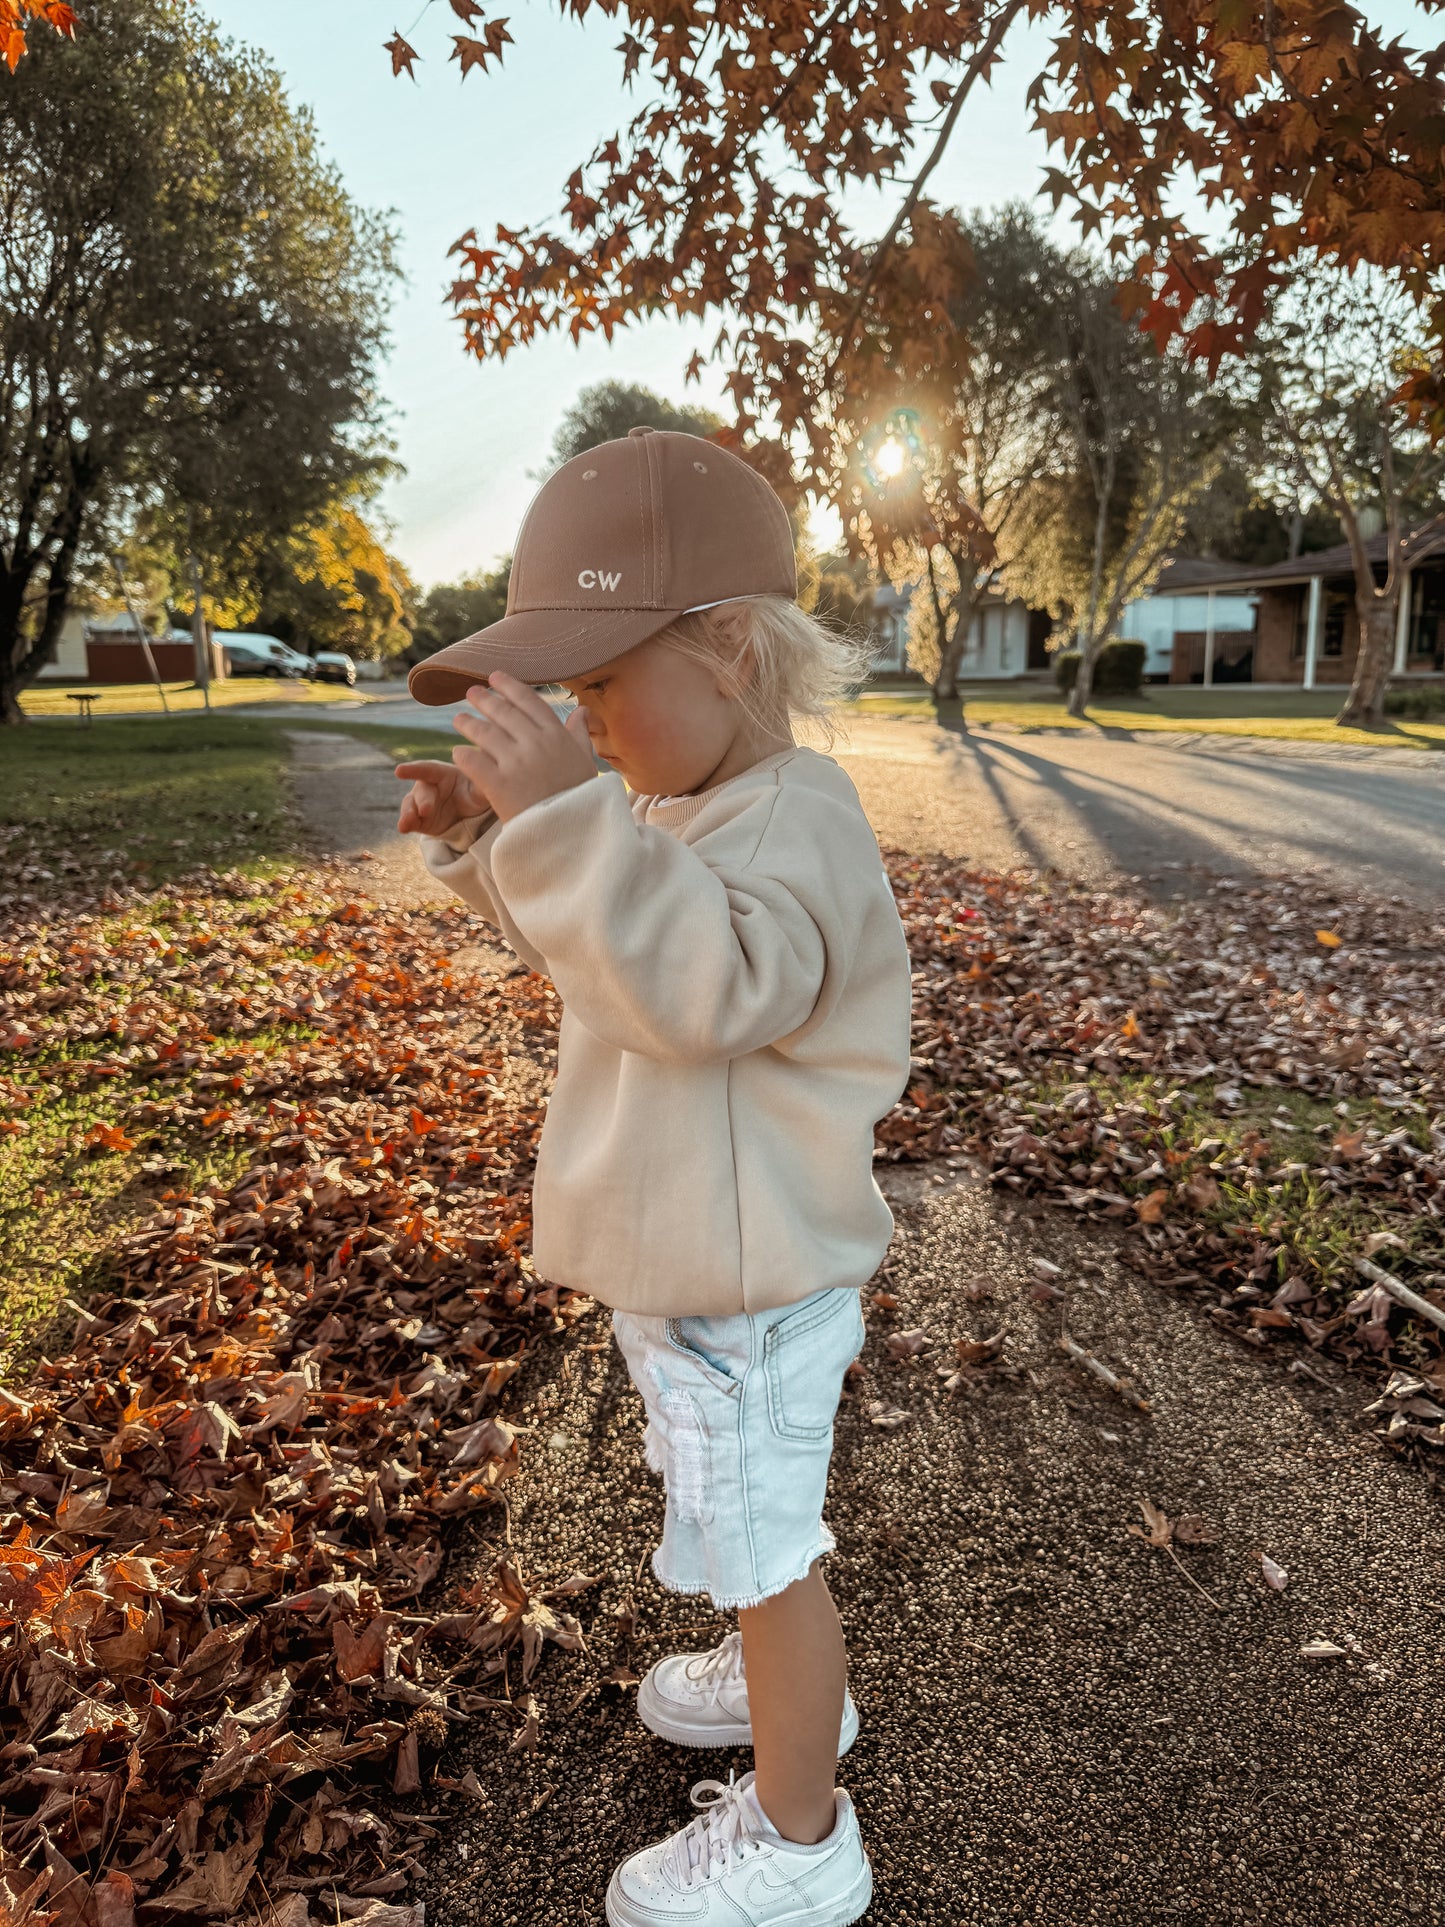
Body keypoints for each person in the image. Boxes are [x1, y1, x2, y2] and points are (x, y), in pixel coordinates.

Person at [395, 427, 911, 1926]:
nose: (583, 717)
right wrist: (499, 839)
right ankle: (778, 1686)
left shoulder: (797, 819)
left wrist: (563, 824)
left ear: (735, 652)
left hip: (751, 1288)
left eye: (603, 683)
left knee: (767, 1556)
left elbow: (706, 991)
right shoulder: (680, 811)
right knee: (731, 1511)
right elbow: (613, 962)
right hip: (700, 1275)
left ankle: (803, 1840)